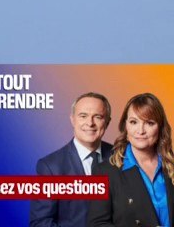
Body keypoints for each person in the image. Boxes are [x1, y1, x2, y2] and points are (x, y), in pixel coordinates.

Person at [88, 93, 173, 227]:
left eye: (150, 123)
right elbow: (97, 224)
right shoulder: (104, 171)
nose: (140, 130)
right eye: (134, 122)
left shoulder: (171, 165)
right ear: (125, 126)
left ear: (160, 127)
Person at [31, 92, 113, 227]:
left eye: (98, 117)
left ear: (107, 122)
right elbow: (40, 223)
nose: (90, 123)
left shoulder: (121, 157)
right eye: (83, 116)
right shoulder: (50, 167)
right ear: (72, 119)